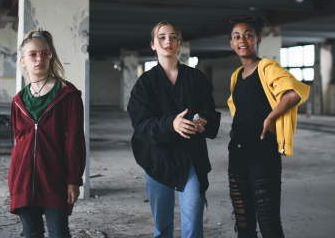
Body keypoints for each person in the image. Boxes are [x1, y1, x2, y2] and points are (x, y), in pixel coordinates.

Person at [127, 21, 221, 238]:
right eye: (161, 37)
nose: (167, 41)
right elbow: (140, 125)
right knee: (162, 226)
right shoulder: (145, 84)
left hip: (192, 158)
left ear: (179, 43)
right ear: (153, 44)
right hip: (158, 159)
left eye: (173, 37)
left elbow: (208, 109)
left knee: (193, 223)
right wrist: (171, 124)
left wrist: (204, 121)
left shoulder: (195, 78)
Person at [226, 15, 310, 238]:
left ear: (258, 39)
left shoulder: (267, 67)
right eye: (237, 36)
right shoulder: (236, 76)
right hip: (237, 155)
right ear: (231, 43)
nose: (242, 40)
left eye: (248, 35)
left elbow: (293, 93)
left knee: (269, 224)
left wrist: (271, 117)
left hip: (263, 154)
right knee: (244, 226)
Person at [8, 28, 86, 238]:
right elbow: (17, 142)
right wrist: (14, 182)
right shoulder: (18, 100)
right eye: (33, 54)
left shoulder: (68, 94)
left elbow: (75, 142)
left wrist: (73, 180)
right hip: (23, 179)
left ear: (51, 56)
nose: (39, 58)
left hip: (55, 178)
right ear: (23, 60)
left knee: (59, 233)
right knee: (31, 233)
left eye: (45, 53)